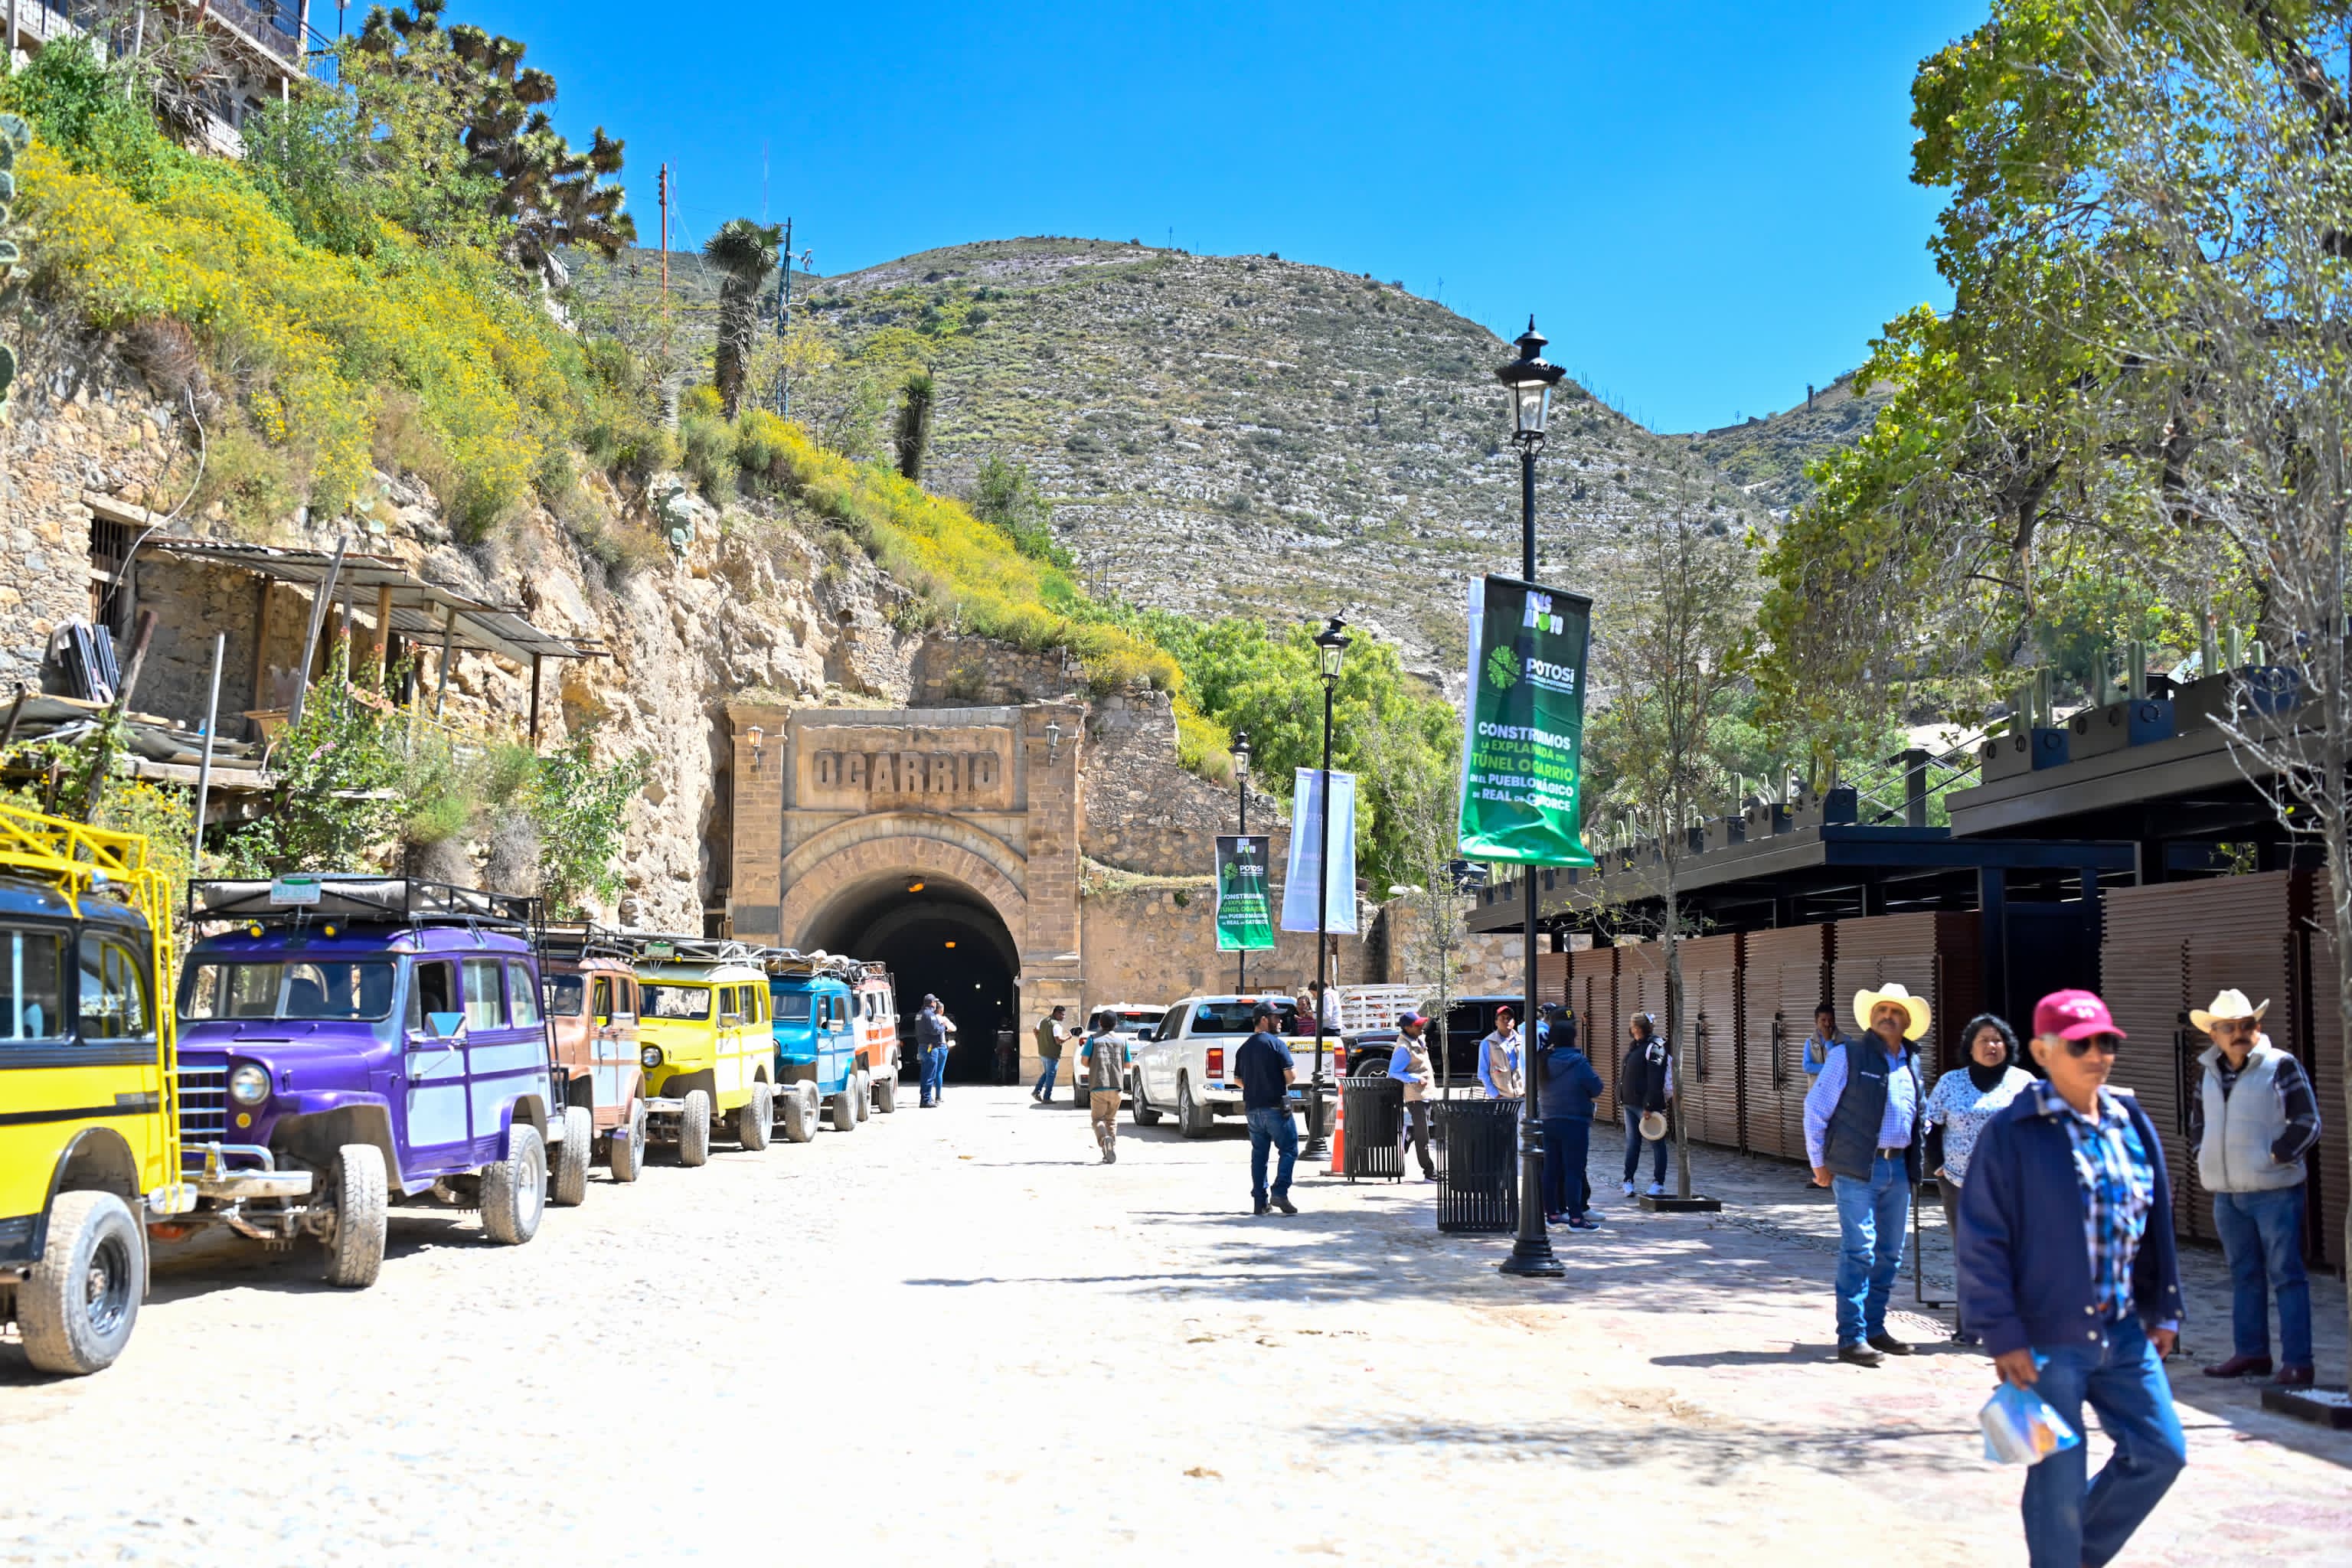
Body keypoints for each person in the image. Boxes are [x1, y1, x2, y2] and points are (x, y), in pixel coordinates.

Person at [1956, 989, 2186, 1568]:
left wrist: (2164, 1308)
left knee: (2161, 1453)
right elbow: (1982, 1239)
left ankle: (2073, 1559)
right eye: (2081, 1045)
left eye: (2107, 1043)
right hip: (2045, 1338)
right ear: (2042, 1051)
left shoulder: (2130, 1120)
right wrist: (2001, 1333)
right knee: (2057, 1482)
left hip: (2124, 1331)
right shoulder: (2012, 1132)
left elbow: (2155, 1224)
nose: (2098, 1055)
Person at [2188, 989, 2323, 1388]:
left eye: (2246, 1025)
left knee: (2287, 1276)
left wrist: (2276, 1156)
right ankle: (2251, 1353)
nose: (2239, 1033)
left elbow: (2308, 1121)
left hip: (2274, 1191)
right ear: (2213, 1034)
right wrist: (2202, 1156)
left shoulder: (2281, 1065)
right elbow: (2198, 1124)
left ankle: (2298, 1363)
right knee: (2243, 1275)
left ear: (2257, 1027)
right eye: (2228, 1028)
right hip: (2227, 1194)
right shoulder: (2207, 1073)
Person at [1805, 982, 1930, 1367]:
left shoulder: (1911, 1061)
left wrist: (1919, 1152)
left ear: (1907, 1022)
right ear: (1871, 1019)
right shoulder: (1847, 1055)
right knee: (1860, 1248)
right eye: (1882, 1012)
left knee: (1890, 1254)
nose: (1888, 1017)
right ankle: (1852, 1337)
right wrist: (1818, 1164)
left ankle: (1875, 1328)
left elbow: (1920, 1114)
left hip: (1899, 1168)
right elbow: (1815, 1109)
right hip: (1858, 1168)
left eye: (1896, 1013)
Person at [1922, 1012, 2034, 1344]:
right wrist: (1939, 1167)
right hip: (1959, 1183)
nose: (1992, 1045)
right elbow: (1930, 1126)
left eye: (1998, 1040)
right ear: (1970, 1047)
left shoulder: (2023, 1083)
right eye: (1984, 1040)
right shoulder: (1951, 1082)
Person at [1540, 1009, 1606, 1230]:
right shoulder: (1578, 1061)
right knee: (1574, 1171)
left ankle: (1552, 1214)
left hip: (1549, 1119)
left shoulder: (1544, 1060)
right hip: (1575, 1121)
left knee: (1551, 1170)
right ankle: (1576, 1218)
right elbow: (1596, 1087)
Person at [1236, 1004, 1298, 1216]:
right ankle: (1280, 1192)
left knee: (1259, 1155)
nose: (1280, 1021)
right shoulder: (1276, 1044)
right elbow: (1291, 1076)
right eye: (1276, 1017)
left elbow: (1238, 1080)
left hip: (1252, 1108)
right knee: (1289, 1149)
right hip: (1275, 1108)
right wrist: (1274, 1083)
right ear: (1264, 1019)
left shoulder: (1244, 1048)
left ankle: (1260, 1202)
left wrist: (1256, 1086)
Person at [1619, 1013, 1674, 1197]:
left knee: (1657, 1144)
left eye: (1632, 1025)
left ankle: (1658, 1183)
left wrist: (1649, 1105)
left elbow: (1655, 1078)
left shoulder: (1654, 1047)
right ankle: (1628, 1180)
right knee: (1632, 1144)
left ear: (1636, 1028)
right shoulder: (1636, 1046)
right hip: (1629, 1103)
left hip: (1645, 1106)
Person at [1386, 1011, 1440, 1181]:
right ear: (1408, 1028)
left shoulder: (1418, 1039)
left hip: (1428, 1094)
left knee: (1432, 1129)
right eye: (1417, 1025)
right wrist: (1415, 1078)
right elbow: (1394, 1072)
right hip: (1416, 1096)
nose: (1421, 1027)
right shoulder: (1403, 1048)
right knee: (1423, 1137)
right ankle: (1429, 1171)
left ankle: (1410, 1132)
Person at [1078, 1016, 1128, 1163]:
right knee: (1111, 1119)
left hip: (1098, 1085)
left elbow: (1084, 1061)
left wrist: (1095, 1064)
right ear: (1116, 1024)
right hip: (1117, 1086)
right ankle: (1110, 1148)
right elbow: (1128, 1064)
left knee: (1098, 1119)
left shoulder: (1093, 1039)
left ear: (1100, 1023)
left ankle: (1104, 1139)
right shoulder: (1122, 1041)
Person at [1478, 1004, 1524, 1099]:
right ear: (1496, 1022)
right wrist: (1495, 1094)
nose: (1506, 1020)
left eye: (1509, 1018)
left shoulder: (1523, 1040)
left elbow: (1530, 1068)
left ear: (1514, 1022)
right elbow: (1483, 1072)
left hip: (1523, 1096)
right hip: (1501, 1097)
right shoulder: (1487, 1043)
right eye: (1502, 1018)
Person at [913, 995, 949, 1108]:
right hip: (930, 1047)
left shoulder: (919, 1014)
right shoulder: (930, 1015)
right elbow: (935, 1030)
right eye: (935, 1002)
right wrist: (944, 1027)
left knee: (925, 1073)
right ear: (932, 1003)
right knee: (930, 1073)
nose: (936, 1005)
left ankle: (925, 1097)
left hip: (922, 1046)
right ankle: (926, 1099)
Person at [1031, 1004, 1069, 1103]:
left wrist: (1040, 1040)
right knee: (1051, 1076)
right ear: (1056, 1013)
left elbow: (1035, 1031)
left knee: (1047, 1073)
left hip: (1043, 1052)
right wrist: (1068, 1038)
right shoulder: (1056, 1025)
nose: (1064, 1017)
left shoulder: (1043, 1021)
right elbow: (1058, 1041)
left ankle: (1037, 1091)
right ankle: (1047, 1098)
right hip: (1052, 1055)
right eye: (1062, 1015)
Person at [1800, 1001, 1843, 1076]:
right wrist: (1830, 1068)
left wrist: (1829, 1041)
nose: (1827, 1024)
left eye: (1830, 1020)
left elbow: (1840, 1065)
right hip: (1817, 1084)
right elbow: (1807, 1067)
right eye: (1823, 1020)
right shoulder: (1810, 1042)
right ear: (1816, 1022)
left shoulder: (1845, 1040)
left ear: (1834, 1020)